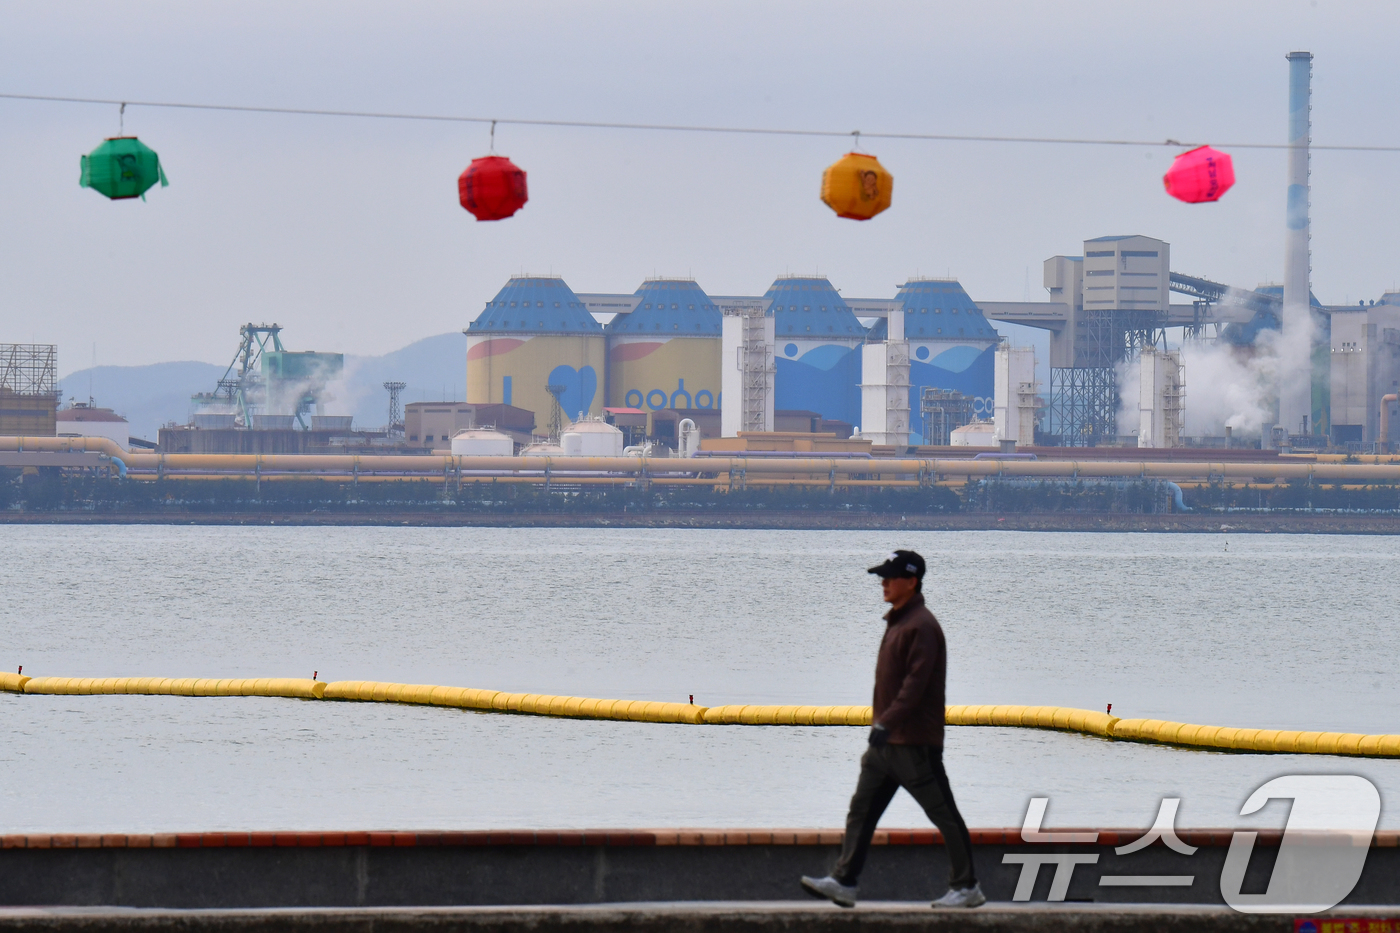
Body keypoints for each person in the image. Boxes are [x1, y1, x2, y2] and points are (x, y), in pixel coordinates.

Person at [800, 549, 984, 909]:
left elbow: (914, 686)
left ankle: (967, 887)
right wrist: (881, 728)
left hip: (914, 745)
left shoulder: (922, 626)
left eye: (890, 576)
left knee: (943, 814)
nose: (882, 582)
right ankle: (844, 881)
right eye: (882, 576)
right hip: (885, 746)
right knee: (861, 810)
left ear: (911, 582)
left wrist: (887, 721)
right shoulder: (899, 622)